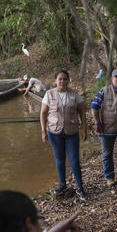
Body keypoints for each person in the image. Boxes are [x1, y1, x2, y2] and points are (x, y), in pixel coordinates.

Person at [40, 69, 89, 200]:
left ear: (68, 80)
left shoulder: (74, 94)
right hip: (54, 133)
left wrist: (84, 128)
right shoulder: (49, 94)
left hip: (72, 133)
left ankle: (80, 187)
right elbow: (43, 113)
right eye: (60, 79)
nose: (62, 81)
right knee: (60, 159)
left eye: (65, 79)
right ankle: (62, 184)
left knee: (74, 161)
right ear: (55, 81)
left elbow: (82, 111)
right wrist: (43, 131)